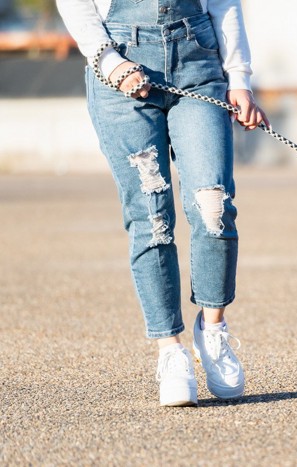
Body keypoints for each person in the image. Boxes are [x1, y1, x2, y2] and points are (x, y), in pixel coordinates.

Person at [56, 0, 268, 406]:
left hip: (198, 65)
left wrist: (239, 77)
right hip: (120, 63)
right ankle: (171, 351)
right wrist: (107, 58)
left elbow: (224, 2)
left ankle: (214, 331)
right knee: (151, 216)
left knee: (214, 204)